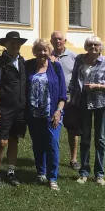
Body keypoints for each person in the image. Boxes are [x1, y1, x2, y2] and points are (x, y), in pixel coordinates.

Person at [69, 36, 105, 186]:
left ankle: (99, 174)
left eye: (96, 45)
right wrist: (71, 98)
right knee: (85, 139)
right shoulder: (80, 60)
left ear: (100, 47)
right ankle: (84, 173)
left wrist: (97, 86)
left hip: (101, 104)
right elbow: (73, 80)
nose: (93, 47)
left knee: (100, 139)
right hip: (83, 103)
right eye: (90, 44)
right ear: (86, 46)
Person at [25, 39, 67, 191]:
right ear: (34, 52)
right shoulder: (28, 66)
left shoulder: (56, 67)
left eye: (45, 50)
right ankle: (40, 172)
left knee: (52, 144)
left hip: (52, 114)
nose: (42, 53)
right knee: (38, 145)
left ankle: (52, 177)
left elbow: (63, 93)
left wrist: (58, 111)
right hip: (34, 114)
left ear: (50, 52)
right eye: (39, 50)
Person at [0, 31, 27, 187]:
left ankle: (11, 172)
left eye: (17, 42)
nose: (15, 45)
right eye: (12, 42)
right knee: (2, 141)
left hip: (20, 109)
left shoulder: (23, 62)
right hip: (5, 108)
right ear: (5, 44)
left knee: (14, 140)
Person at [50, 31, 79, 170]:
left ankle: (73, 159)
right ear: (51, 41)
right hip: (53, 99)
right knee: (52, 128)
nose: (58, 41)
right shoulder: (48, 56)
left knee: (72, 130)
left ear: (65, 40)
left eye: (60, 39)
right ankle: (51, 157)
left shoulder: (73, 56)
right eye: (55, 39)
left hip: (70, 98)